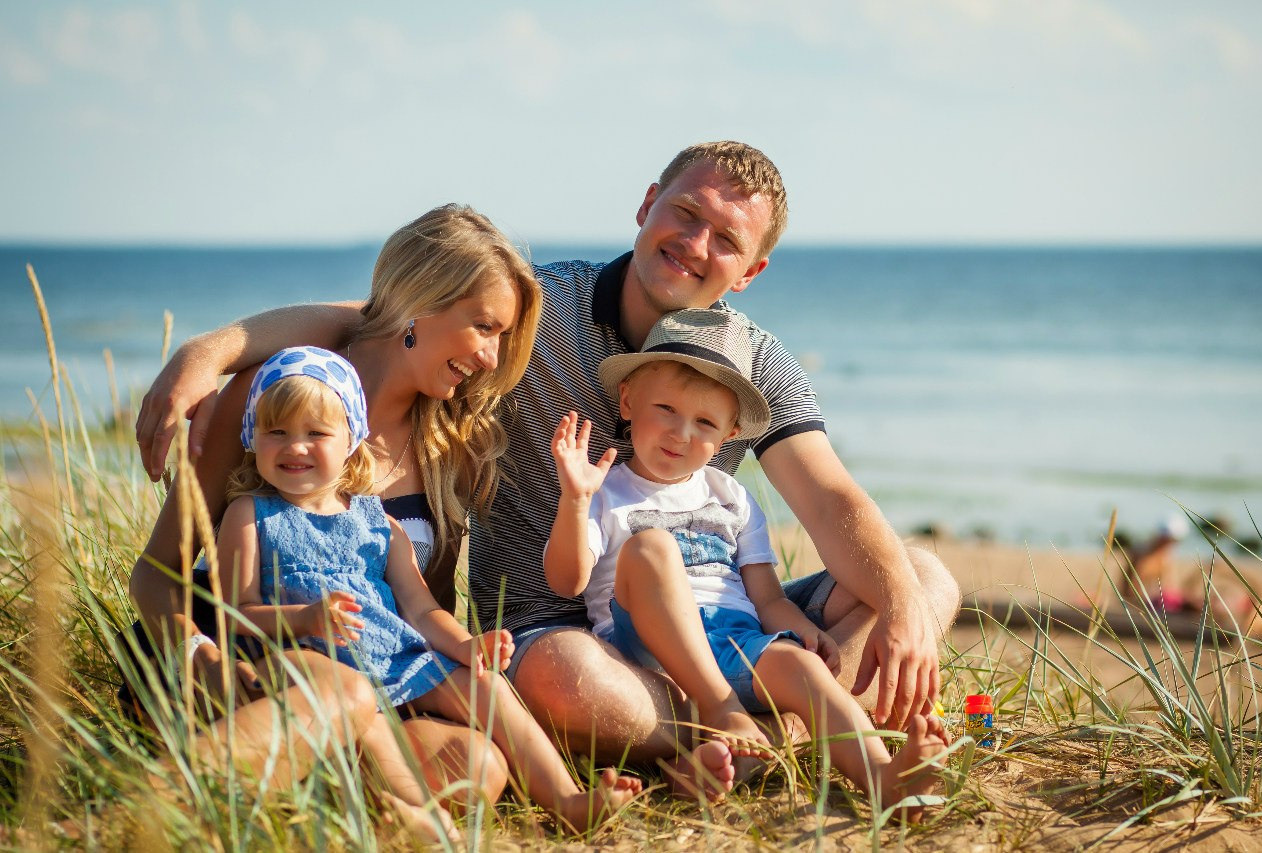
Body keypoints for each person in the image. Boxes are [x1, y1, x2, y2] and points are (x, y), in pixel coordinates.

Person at [133, 142, 962, 796]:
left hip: (717, 631)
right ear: (646, 206)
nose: (695, 243)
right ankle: (776, 727)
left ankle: (750, 727)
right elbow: (395, 317)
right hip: (561, 639)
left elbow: (832, 496)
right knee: (558, 679)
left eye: (726, 240)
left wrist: (906, 616)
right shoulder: (536, 317)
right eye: (684, 212)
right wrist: (214, 351)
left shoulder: (753, 366)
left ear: (752, 270)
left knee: (921, 577)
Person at [126, 204, 547, 820]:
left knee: (473, 765)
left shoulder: (449, 441)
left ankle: (311, 805)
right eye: (484, 326)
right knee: (339, 693)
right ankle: (142, 813)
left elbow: (416, 610)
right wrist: (201, 658)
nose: (491, 356)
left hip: (364, 688)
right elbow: (155, 575)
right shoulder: (273, 401)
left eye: (502, 336)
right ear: (419, 304)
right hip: (229, 661)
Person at [545, 309, 949, 813]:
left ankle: (880, 776)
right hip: (648, 645)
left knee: (805, 670)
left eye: (705, 422)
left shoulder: (731, 498)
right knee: (651, 548)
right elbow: (566, 580)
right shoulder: (604, 491)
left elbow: (765, 597)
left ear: (732, 433)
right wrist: (574, 501)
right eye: (665, 409)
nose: (681, 433)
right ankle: (724, 713)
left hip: (736, 636)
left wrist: (804, 631)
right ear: (628, 400)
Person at [220, 346, 641, 831]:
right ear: (254, 438)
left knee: (486, 686)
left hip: (398, 658)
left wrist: (467, 645)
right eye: (277, 433)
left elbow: (419, 611)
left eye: (316, 433)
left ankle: (567, 800)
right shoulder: (250, 514)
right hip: (312, 665)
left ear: (352, 440)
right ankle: (415, 813)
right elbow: (236, 612)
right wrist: (304, 618)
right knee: (364, 722)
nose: (295, 447)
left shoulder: (375, 520)